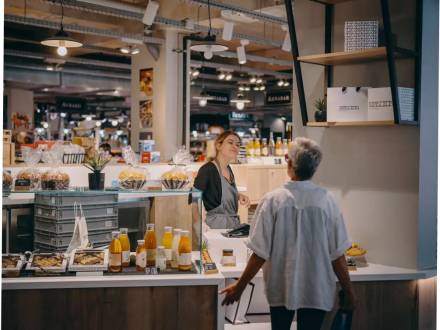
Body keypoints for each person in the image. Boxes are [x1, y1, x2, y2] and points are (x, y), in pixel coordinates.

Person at [221, 137, 356, 330]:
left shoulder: (273, 201)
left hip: (281, 287)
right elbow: (337, 254)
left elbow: (260, 253)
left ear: (289, 161)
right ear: (315, 167)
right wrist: (350, 292)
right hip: (316, 289)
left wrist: (239, 287)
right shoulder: (327, 201)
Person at [193, 131, 250, 229]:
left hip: (232, 225)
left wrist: (238, 195)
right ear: (218, 145)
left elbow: (216, 191)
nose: (235, 146)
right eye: (230, 142)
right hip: (215, 227)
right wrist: (199, 224)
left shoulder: (229, 169)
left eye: (238, 145)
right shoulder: (208, 169)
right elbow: (193, 198)